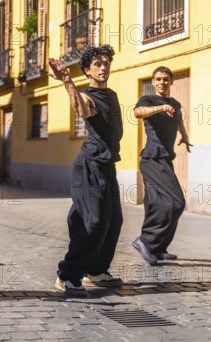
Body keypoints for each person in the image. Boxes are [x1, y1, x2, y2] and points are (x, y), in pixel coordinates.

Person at [49, 45, 124, 296]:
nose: (103, 67)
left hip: (107, 163)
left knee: (114, 221)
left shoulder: (111, 94)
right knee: (95, 223)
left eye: (106, 63)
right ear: (87, 70)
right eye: (98, 64)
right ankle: (67, 275)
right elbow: (82, 109)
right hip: (90, 165)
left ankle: (96, 270)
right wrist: (67, 81)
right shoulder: (88, 95)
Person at [132, 66, 192, 265]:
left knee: (154, 204)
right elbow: (137, 113)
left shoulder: (174, 103)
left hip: (165, 159)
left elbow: (178, 119)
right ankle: (146, 242)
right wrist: (160, 108)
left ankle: (159, 248)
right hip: (152, 159)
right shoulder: (148, 101)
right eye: (158, 79)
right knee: (176, 203)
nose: (162, 82)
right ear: (153, 82)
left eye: (166, 79)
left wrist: (184, 135)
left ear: (171, 81)